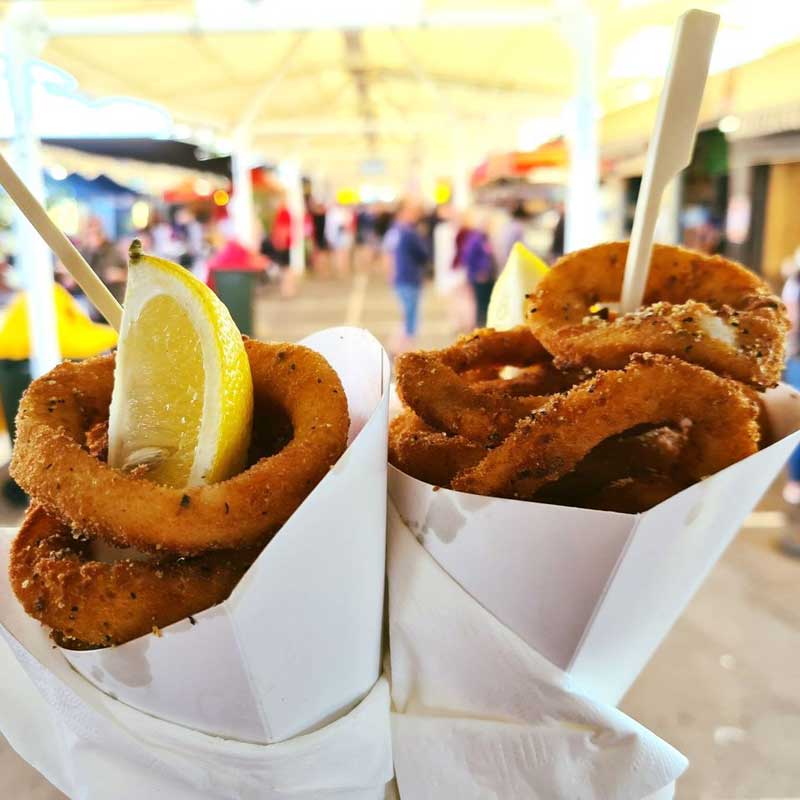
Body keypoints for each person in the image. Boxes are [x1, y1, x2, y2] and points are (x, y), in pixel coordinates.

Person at [389, 198, 429, 353]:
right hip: (410, 278)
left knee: (406, 315)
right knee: (410, 318)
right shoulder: (409, 232)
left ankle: (398, 348)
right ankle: (404, 350)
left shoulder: (396, 229)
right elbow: (423, 254)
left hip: (401, 277)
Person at [461, 209, 497, 328]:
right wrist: (478, 272)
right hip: (480, 277)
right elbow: (467, 258)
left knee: (486, 302)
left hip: (488, 276)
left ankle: (484, 325)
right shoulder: (475, 239)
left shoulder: (484, 238)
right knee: (481, 303)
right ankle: (480, 325)